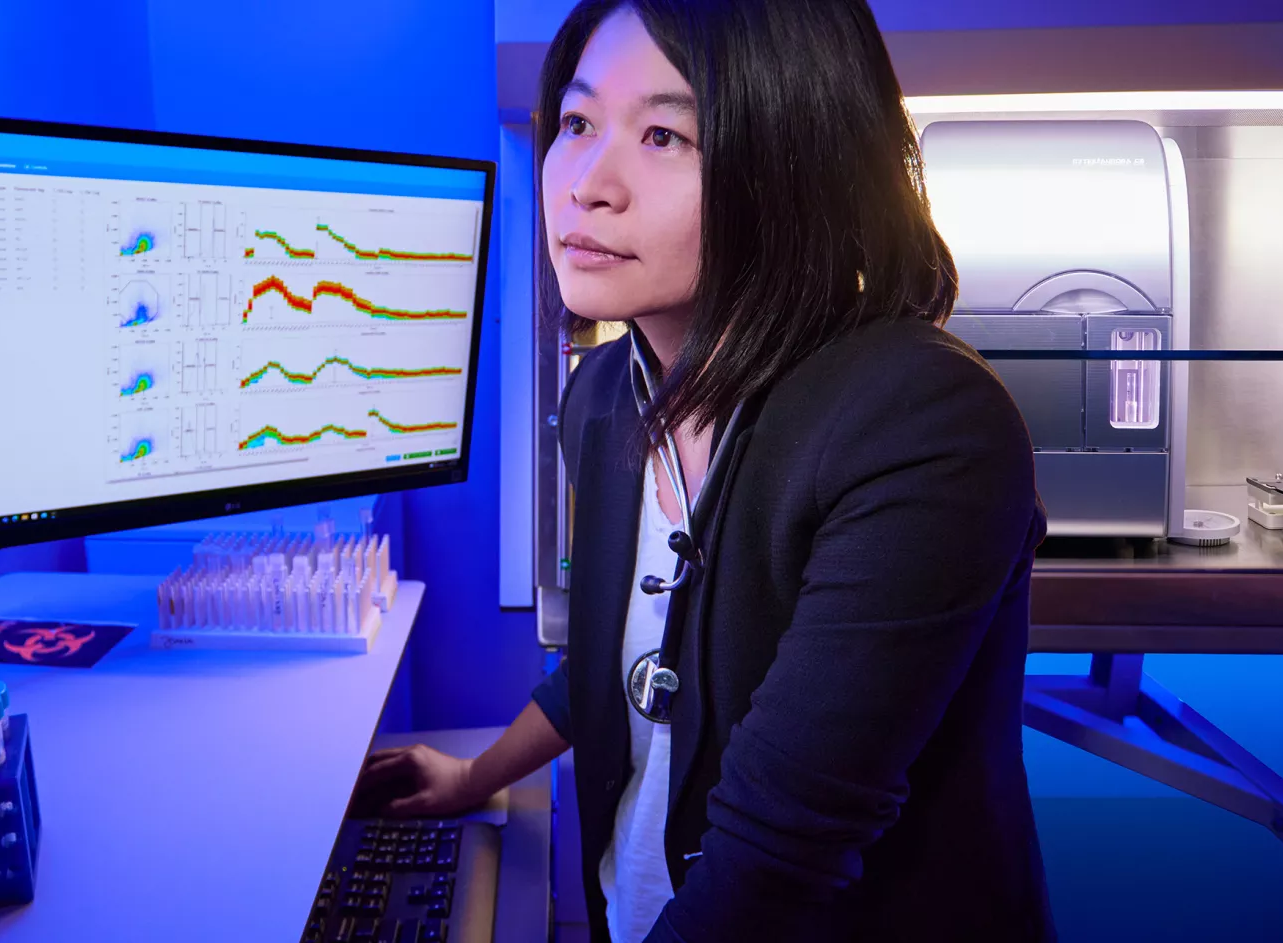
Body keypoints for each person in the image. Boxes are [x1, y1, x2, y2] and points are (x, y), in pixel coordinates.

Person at [357, 1, 1052, 939]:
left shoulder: (921, 421)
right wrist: (475, 776)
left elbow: (779, 855)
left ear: (797, 158)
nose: (588, 185)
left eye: (663, 135)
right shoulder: (606, 393)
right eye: (576, 122)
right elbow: (622, 660)